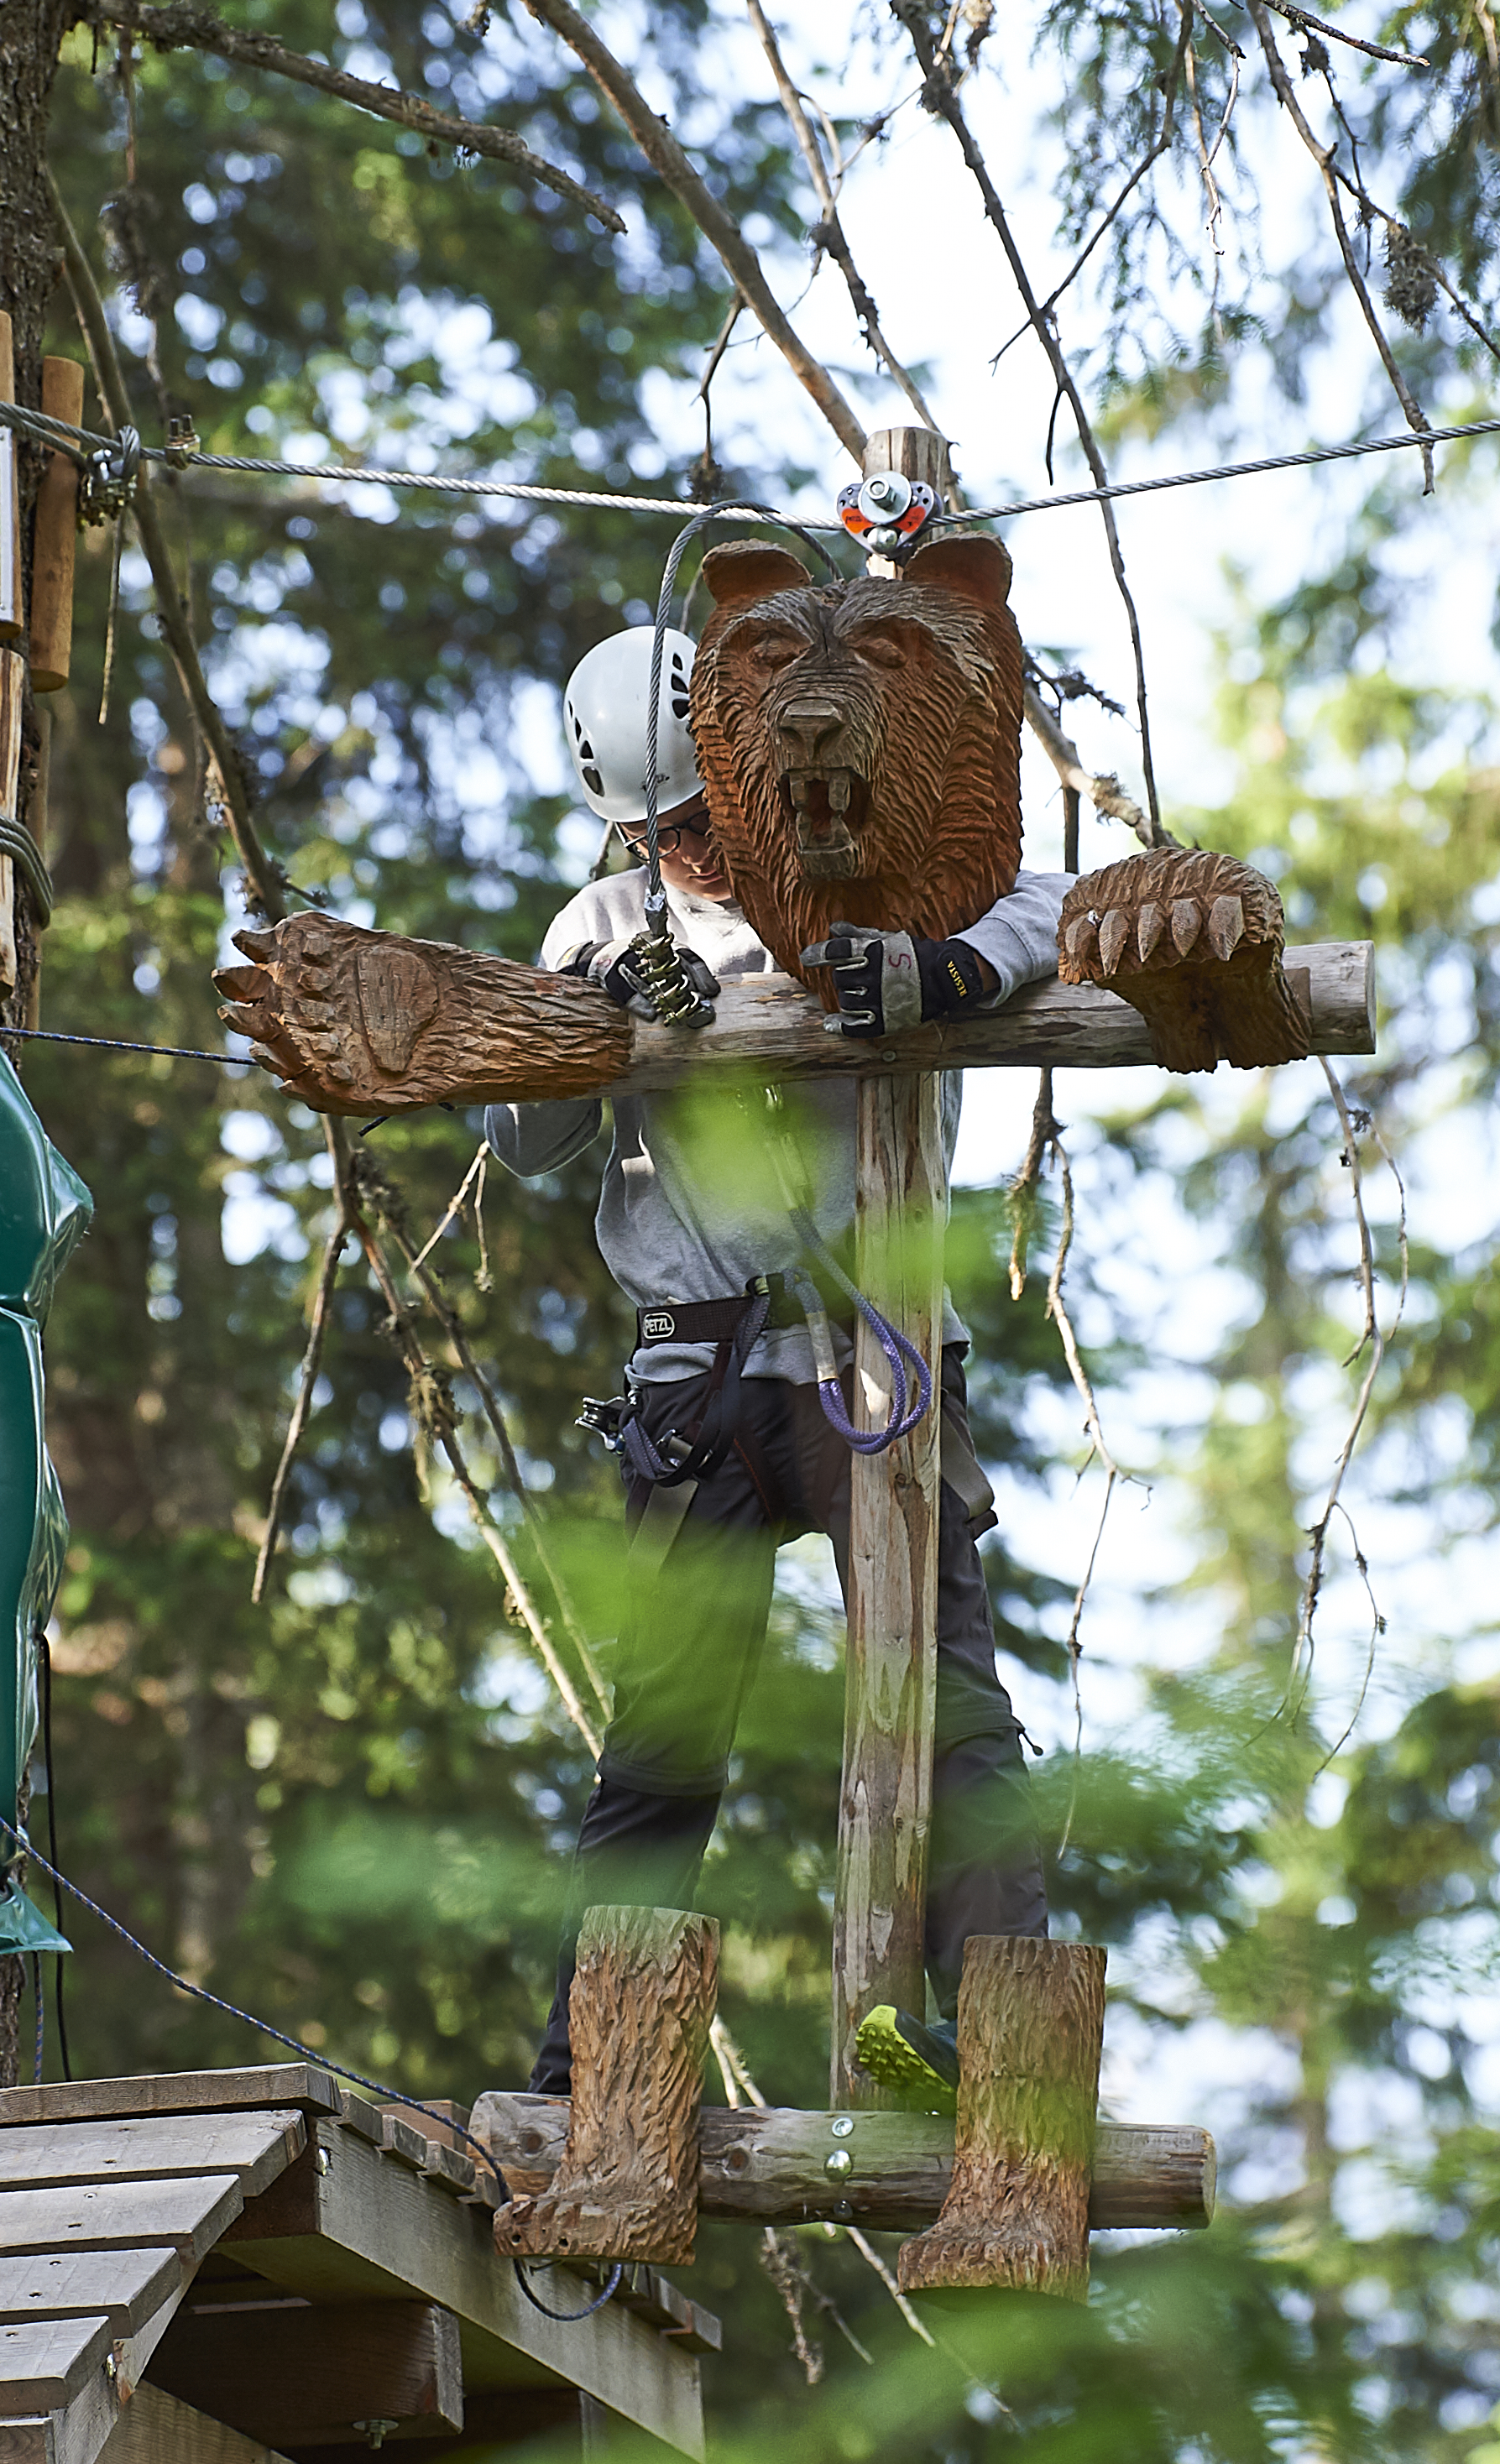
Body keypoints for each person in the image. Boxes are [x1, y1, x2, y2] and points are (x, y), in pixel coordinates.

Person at [485, 625, 1069, 2112]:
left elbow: (1055, 906)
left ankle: (998, 2051)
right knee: (661, 1750)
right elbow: (521, 1137)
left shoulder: (880, 873)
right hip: (702, 1383)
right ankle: (589, 2078)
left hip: (880, 1356)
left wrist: (945, 969)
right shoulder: (601, 918)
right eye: (658, 831)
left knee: (948, 1711)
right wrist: (601, 1007)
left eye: (702, 815)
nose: (687, 850)